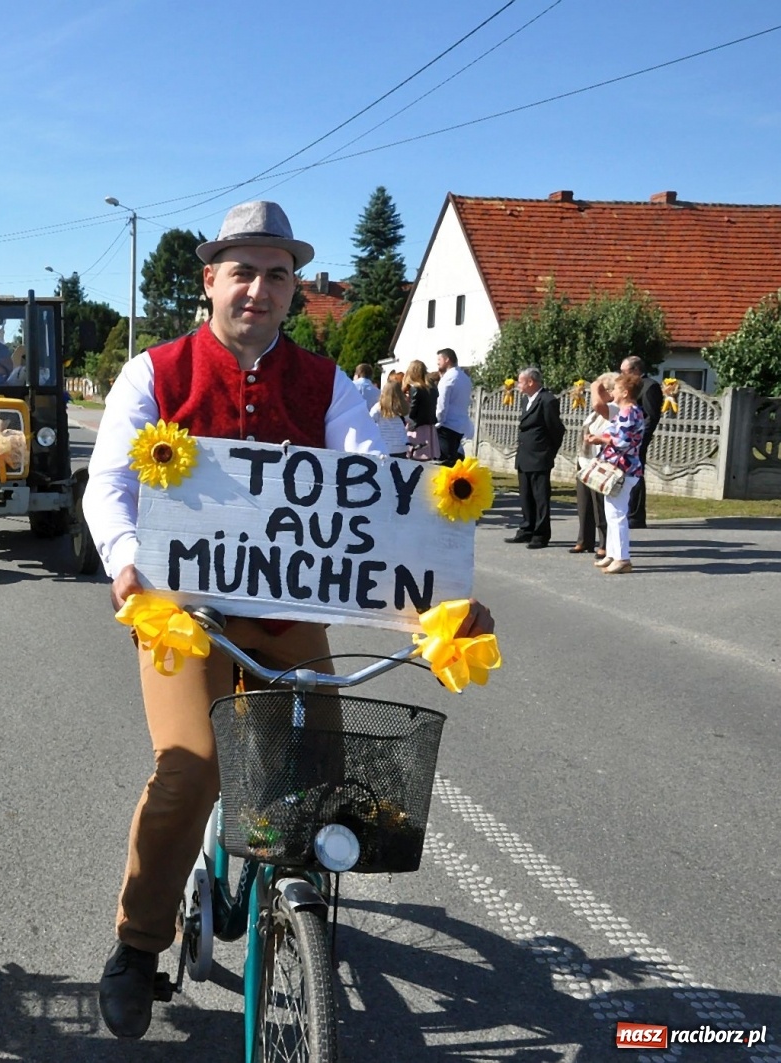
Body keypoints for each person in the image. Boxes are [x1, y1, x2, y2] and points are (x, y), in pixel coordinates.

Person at [81, 200, 493, 1040]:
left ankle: (287, 905)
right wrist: (127, 563)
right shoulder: (154, 374)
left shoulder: (327, 384)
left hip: (286, 612)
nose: (259, 290)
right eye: (243, 272)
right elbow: (110, 485)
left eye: (276, 275)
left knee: (313, 778)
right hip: (185, 616)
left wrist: (439, 586)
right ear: (210, 282)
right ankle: (136, 944)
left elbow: (376, 482)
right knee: (191, 769)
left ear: (293, 289)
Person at [585, 370, 646, 574]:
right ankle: (612, 553)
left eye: (617, 388)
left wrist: (599, 439)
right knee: (611, 512)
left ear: (626, 392)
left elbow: (621, 442)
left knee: (617, 514)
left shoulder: (629, 412)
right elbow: (614, 432)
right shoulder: (625, 411)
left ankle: (622, 558)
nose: (613, 392)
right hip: (621, 469)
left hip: (624, 470)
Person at [506, 366, 565, 548]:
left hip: (539, 457)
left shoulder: (547, 400)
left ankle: (541, 534)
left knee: (540, 498)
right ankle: (527, 529)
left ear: (531, 382)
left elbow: (556, 430)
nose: (517, 385)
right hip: (525, 456)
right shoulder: (527, 400)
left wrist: (548, 453)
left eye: (520, 381)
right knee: (525, 496)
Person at [571, 373, 617, 557]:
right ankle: (584, 540)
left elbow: (597, 404)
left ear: (611, 392)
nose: (596, 393)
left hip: (601, 463)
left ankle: (604, 543)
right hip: (585, 461)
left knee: (599, 506)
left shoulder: (612, 408)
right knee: (584, 504)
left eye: (602, 390)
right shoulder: (595, 413)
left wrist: (595, 386)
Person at [621, 355, 662, 529]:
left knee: (636, 476)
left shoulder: (650, 386)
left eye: (625, 372)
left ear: (636, 370)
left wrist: (640, 440)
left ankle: (636, 516)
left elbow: (650, 417)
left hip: (638, 440)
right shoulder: (630, 386)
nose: (622, 375)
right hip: (627, 439)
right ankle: (627, 511)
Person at [435, 347, 473, 465]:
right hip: (460, 426)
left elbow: (442, 404)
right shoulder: (465, 378)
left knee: (444, 464)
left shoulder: (448, 378)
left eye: (439, 359)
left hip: (447, 426)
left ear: (447, 360)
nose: (437, 363)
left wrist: (438, 423)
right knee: (453, 461)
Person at [403, 358, 439, 460]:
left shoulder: (416, 388)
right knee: (429, 458)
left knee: (415, 458)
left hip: (417, 428)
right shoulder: (432, 388)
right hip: (430, 427)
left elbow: (412, 413)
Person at [370, 376, 410, 458]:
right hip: (401, 445)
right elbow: (410, 420)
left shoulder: (378, 407)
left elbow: (370, 421)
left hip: (385, 446)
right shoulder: (403, 406)